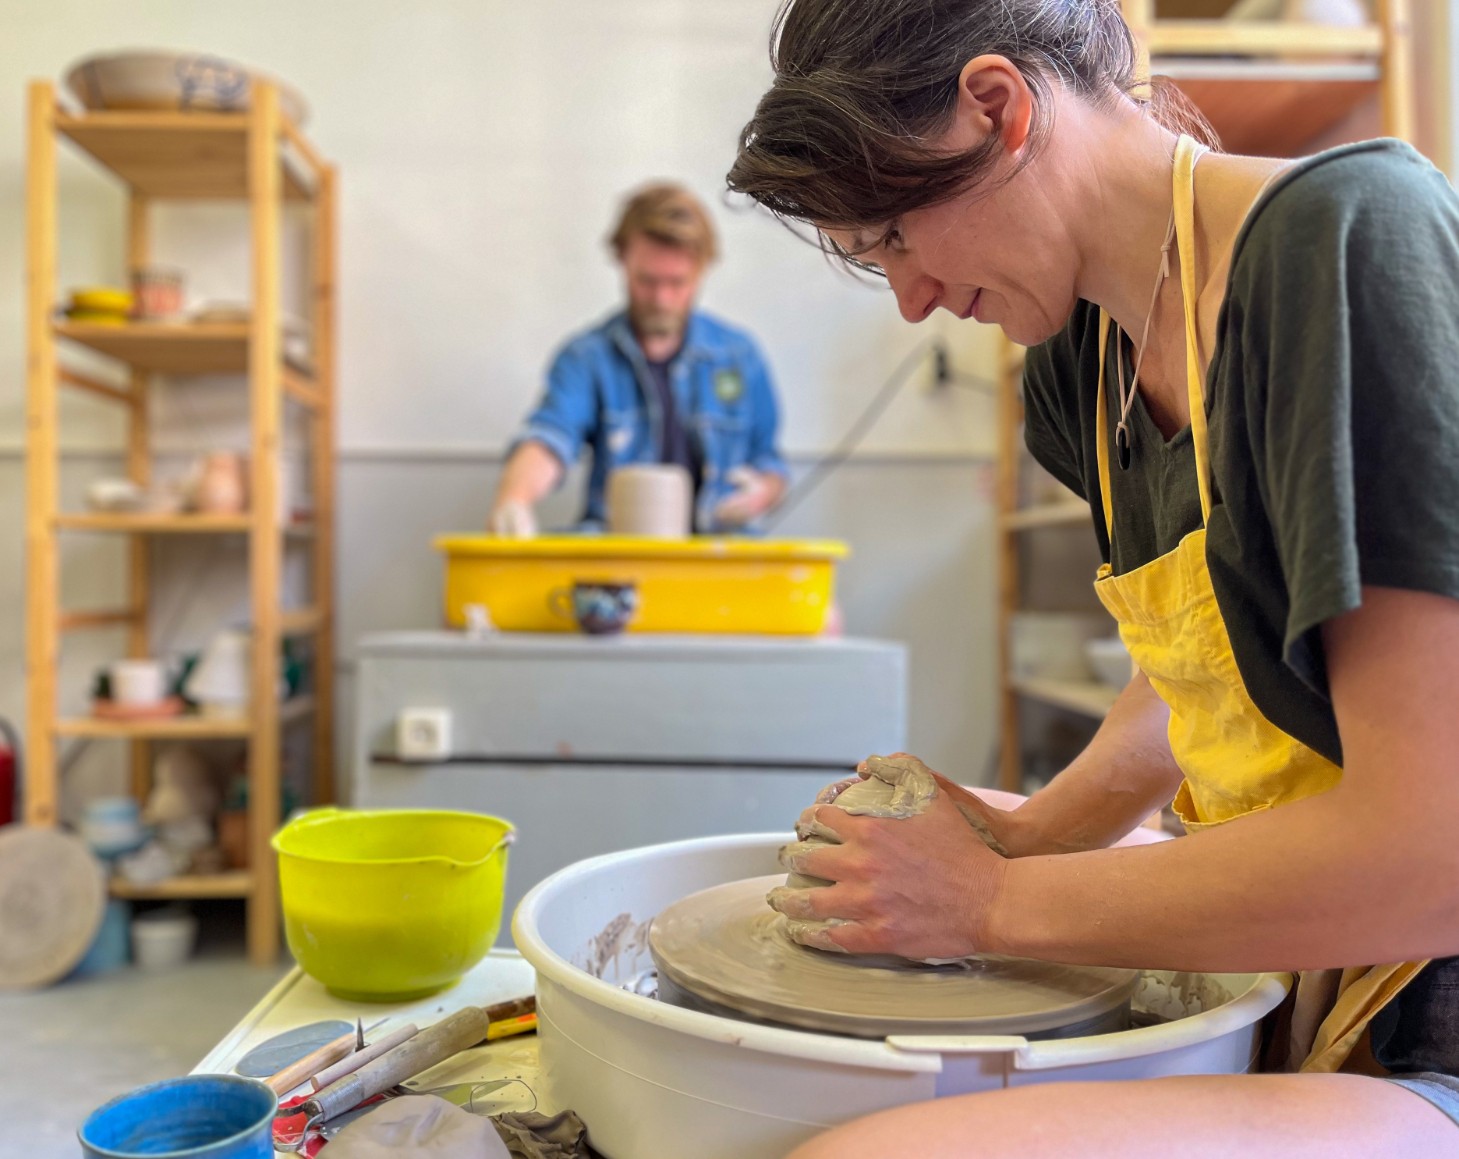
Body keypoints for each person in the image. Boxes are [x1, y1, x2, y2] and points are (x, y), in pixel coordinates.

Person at [726, 0, 1459, 1154]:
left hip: (1434, 1012)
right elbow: (1194, 671)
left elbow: (1433, 852)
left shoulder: (1344, 239)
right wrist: (1027, 835)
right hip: (1305, 964)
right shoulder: (1084, 355)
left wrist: (987, 903)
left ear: (997, 106)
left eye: (899, 240)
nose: (911, 299)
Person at [488, 183, 788, 537]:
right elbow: (550, 438)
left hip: (719, 556)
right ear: (622, 261)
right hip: (619, 556)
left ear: (702, 270)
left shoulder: (740, 357)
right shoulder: (586, 358)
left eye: (677, 283)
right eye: (647, 281)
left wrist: (761, 494)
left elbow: (769, 462)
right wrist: (514, 499)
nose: (661, 298)